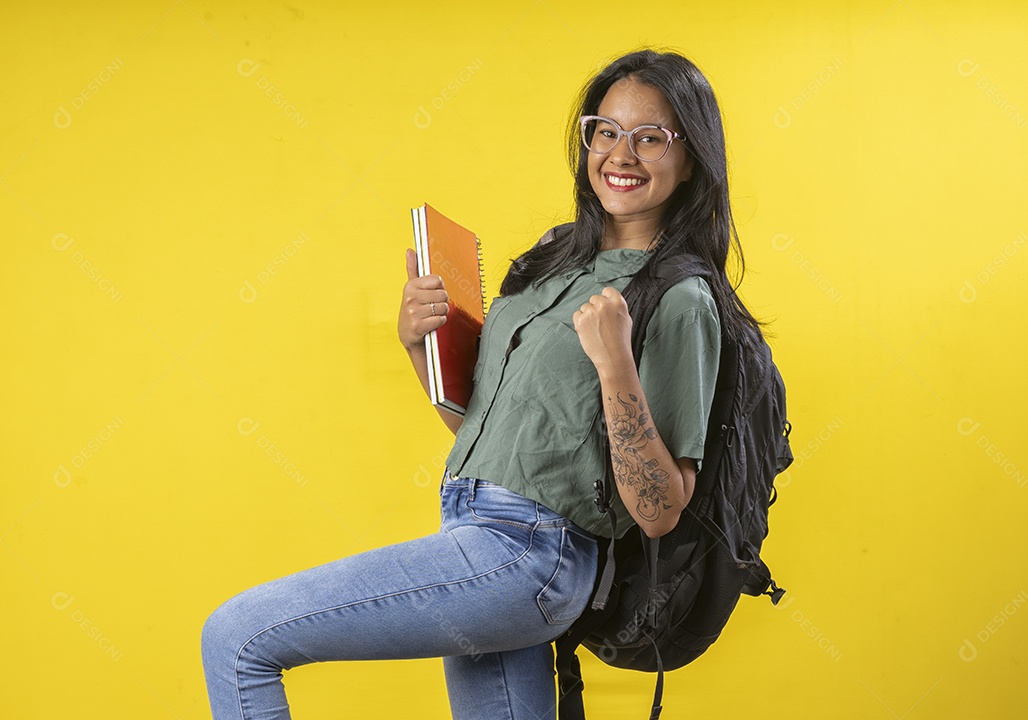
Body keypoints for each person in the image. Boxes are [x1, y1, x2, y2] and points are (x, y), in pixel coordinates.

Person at [201, 48, 760, 720]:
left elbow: (660, 509)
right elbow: (493, 436)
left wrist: (615, 364)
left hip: (530, 558)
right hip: (474, 533)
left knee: (238, 639)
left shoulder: (680, 297)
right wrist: (420, 349)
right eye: (605, 131)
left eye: (651, 137)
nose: (622, 154)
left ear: (691, 156)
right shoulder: (557, 259)